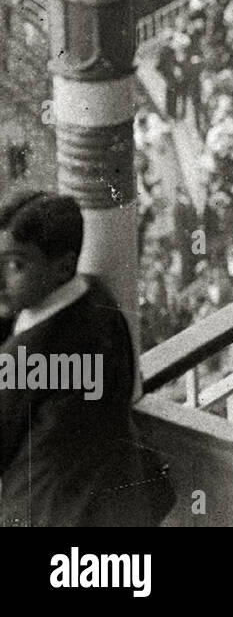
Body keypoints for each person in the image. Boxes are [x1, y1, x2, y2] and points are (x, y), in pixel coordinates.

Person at [0, 191, 172, 526]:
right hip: (118, 500)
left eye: (15, 265)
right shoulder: (97, 299)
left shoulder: (25, 357)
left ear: (63, 267)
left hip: (49, 514)